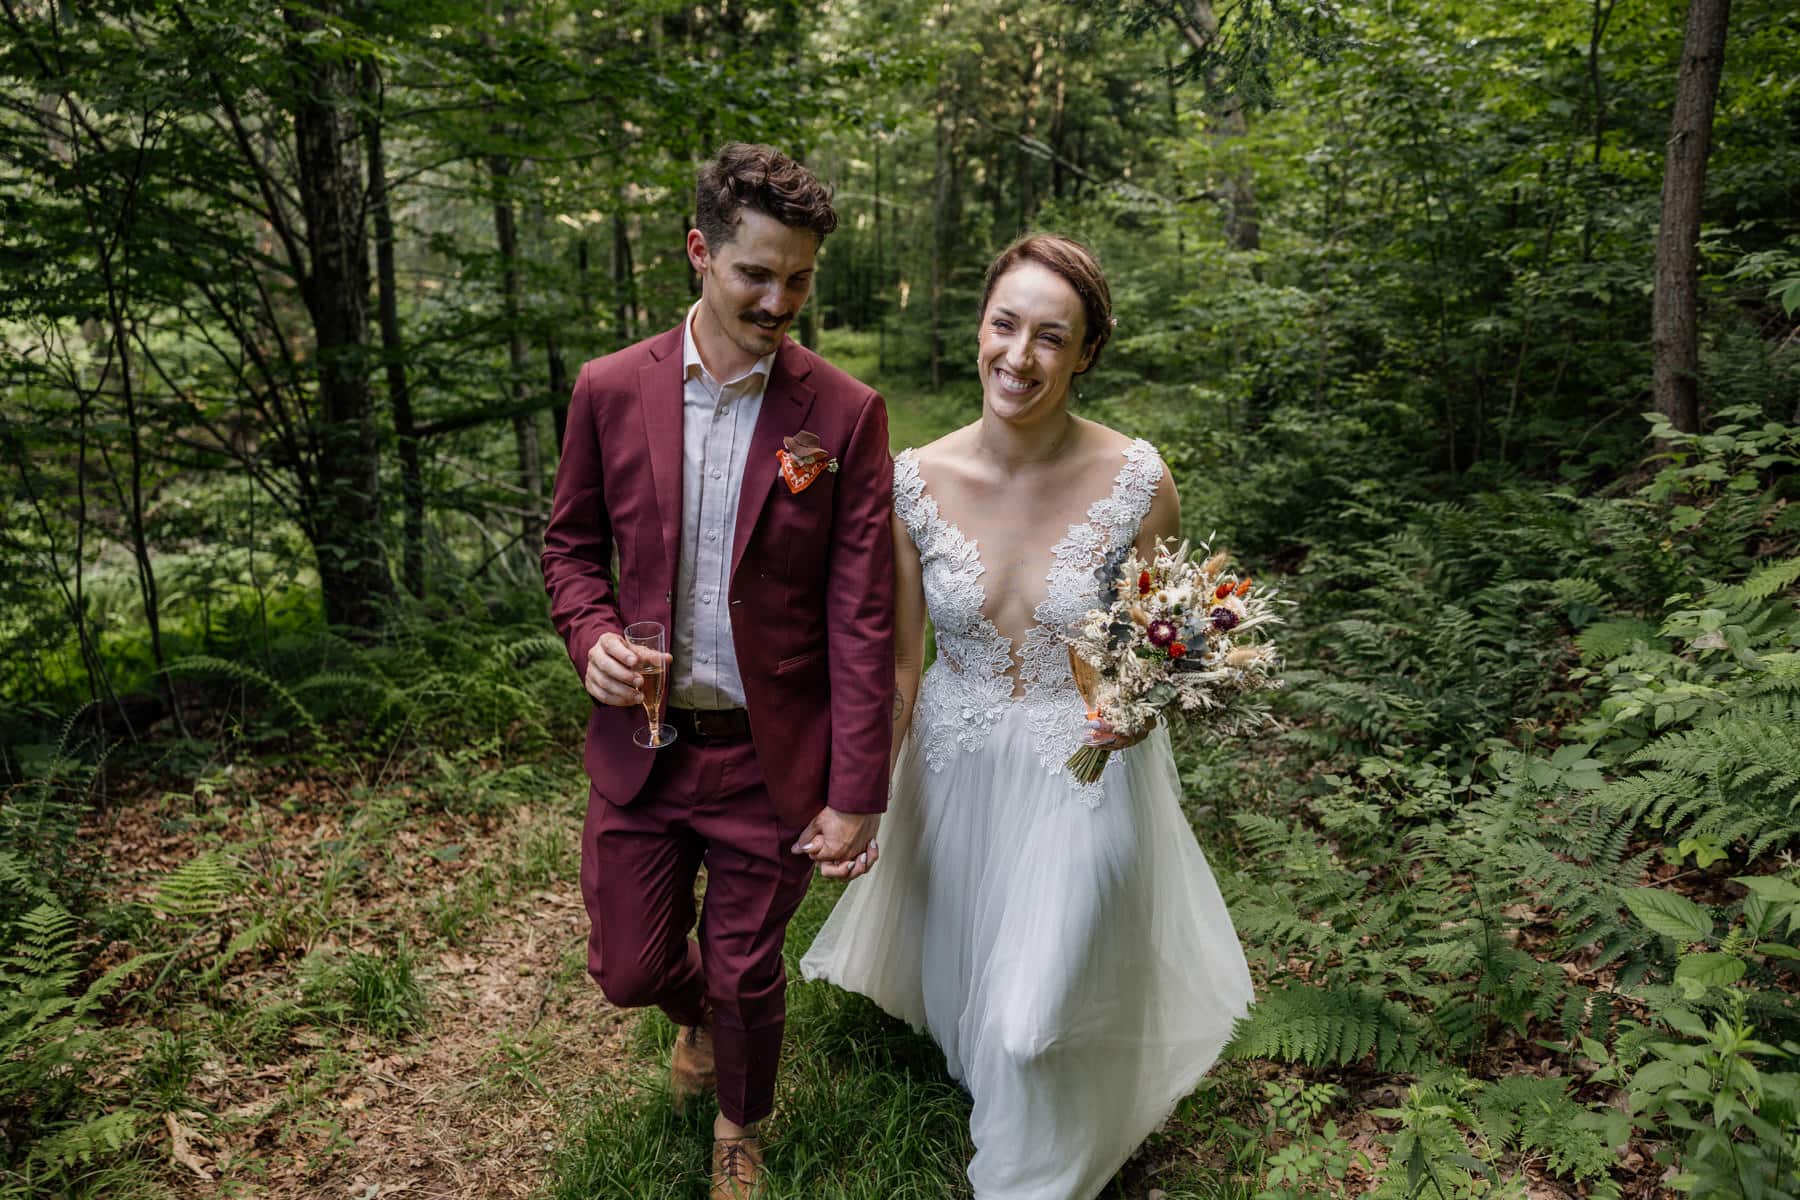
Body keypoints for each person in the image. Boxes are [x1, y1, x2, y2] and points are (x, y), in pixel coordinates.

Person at [801, 233, 1253, 1199]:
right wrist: (864, 795)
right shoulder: (911, 482)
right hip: (956, 761)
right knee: (981, 1004)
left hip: (1081, 761)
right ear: (980, 328)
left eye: (1052, 337)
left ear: (1085, 353)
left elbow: (1157, 636)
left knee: (1028, 1021)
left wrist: (1140, 706)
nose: (1020, 356)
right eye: (1005, 325)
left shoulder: (1137, 480)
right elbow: (899, 670)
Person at [541, 143, 894, 1200]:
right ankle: (686, 1015)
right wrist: (588, 631)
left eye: (799, 278)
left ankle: (742, 1127)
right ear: (701, 252)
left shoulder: (843, 415)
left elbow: (862, 610)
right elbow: (569, 548)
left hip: (767, 756)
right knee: (631, 970)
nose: (779, 298)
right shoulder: (608, 390)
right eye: (756, 274)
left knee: (747, 966)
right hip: (643, 749)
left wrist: (856, 791)